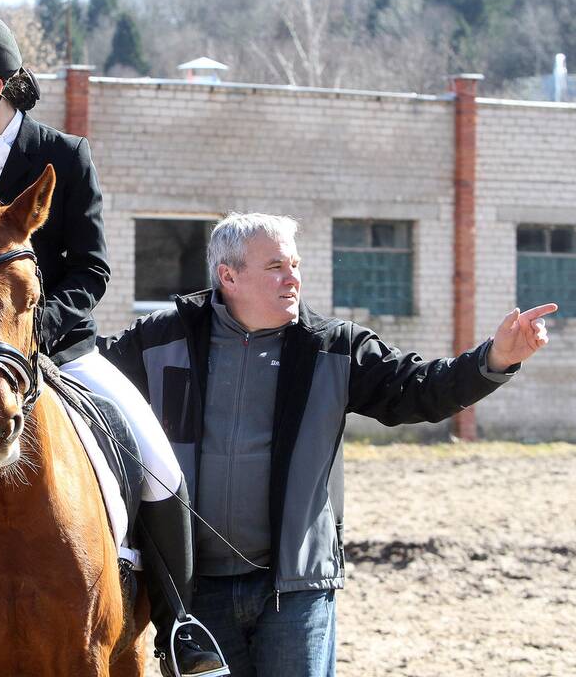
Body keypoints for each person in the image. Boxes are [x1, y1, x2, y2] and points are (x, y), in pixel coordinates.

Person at [0, 7, 226, 677]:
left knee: (158, 464)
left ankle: (181, 626)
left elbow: (91, 267)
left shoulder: (66, 155)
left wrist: (37, 332)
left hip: (62, 350)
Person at [99, 212, 555, 677]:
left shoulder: (334, 347)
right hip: (193, 591)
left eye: (295, 264)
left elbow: (419, 389)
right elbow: (84, 379)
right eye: (276, 265)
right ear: (228, 276)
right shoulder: (157, 340)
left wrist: (495, 358)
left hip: (296, 590)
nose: (293, 277)